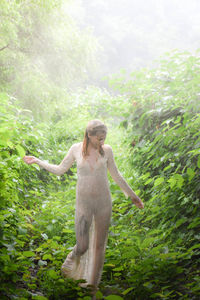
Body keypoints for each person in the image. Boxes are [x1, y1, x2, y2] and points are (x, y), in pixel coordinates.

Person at [23, 119, 144, 295]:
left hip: (103, 203)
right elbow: (59, 169)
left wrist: (133, 196)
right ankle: (70, 261)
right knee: (83, 245)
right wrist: (38, 161)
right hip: (84, 204)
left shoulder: (107, 151)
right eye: (99, 139)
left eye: (104, 138)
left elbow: (116, 175)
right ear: (89, 135)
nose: (101, 142)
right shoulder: (75, 149)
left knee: (99, 246)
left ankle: (92, 288)